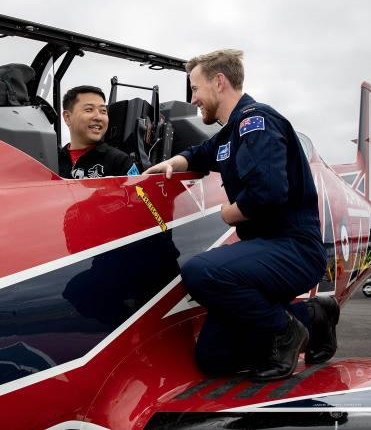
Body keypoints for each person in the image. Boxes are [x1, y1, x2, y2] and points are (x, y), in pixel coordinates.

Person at [144, 49, 338, 381]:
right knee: (215, 359)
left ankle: (285, 333)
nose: (193, 100)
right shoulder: (231, 132)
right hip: (265, 253)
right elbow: (202, 153)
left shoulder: (255, 121)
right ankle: (312, 316)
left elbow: (269, 193)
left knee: (201, 272)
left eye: (195, 88)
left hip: (293, 249)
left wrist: (229, 214)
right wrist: (173, 164)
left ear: (219, 82)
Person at [58, 85, 139, 179]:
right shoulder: (52, 162)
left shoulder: (120, 162)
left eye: (103, 111)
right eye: (89, 110)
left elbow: (141, 192)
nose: (98, 117)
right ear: (67, 117)